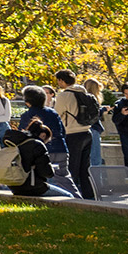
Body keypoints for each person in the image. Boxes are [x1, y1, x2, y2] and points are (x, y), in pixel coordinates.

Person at [50, 72, 98, 201]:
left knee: (72, 167)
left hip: (72, 133)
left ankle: (74, 197)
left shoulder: (64, 96)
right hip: (87, 132)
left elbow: (57, 115)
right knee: (85, 167)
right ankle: (89, 195)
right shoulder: (84, 93)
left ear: (61, 81)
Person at [0, 127, 73, 198]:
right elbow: (47, 173)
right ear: (43, 135)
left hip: (14, 187)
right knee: (69, 196)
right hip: (34, 188)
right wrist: (51, 168)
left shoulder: (12, 143)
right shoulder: (37, 145)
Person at [84, 76, 106, 168]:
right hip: (93, 129)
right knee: (95, 158)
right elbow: (94, 115)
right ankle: (96, 180)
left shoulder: (82, 99)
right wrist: (103, 110)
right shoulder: (92, 99)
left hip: (83, 130)